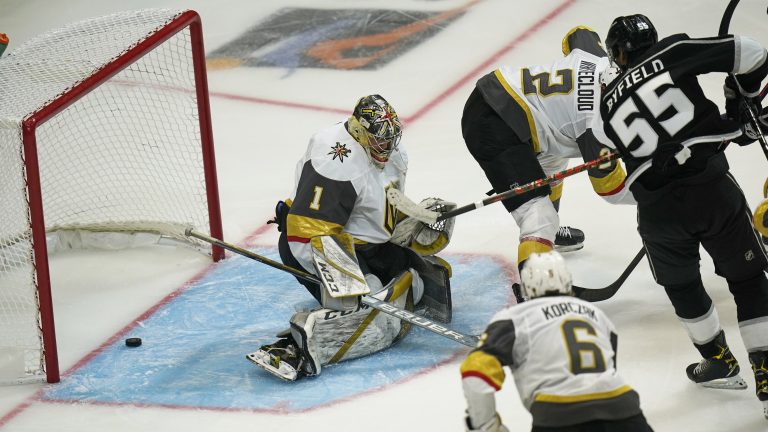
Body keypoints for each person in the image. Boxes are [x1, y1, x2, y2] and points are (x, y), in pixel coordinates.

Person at [598, 14, 768, 418]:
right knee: (746, 280)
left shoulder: (606, 105)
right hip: (711, 192)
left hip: (657, 214)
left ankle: (717, 359)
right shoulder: (673, 51)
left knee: (682, 285)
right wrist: (740, 98)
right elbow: (755, 53)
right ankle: (766, 374)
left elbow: (637, 146)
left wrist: (731, 122)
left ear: (617, 54)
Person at [248, 94, 455, 381]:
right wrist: (347, 285)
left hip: (365, 243)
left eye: (392, 139)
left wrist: (411, 219)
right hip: (316, 243)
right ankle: (303, 342)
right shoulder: (335, 163)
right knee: (370, 302)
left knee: (418, 283)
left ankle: (365, 294)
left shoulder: (391, 151)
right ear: (359, 132)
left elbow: (381, 201)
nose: (388, 147)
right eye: (381, 141)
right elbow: (307, 235)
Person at [461, 26, 635, 302]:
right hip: (491, 123)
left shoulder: (598, 57)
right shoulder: (592, 123)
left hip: (504, 95)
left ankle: (548, 238)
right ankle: (537, 295)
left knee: (556, 156)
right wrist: (655, 194)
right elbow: (610, 190)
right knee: (539, 216)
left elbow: (578, 33)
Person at [460, 251, 653, 432]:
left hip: (559, 415)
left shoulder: (515, 318)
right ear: (568, 281)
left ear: (526, 287)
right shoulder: (596, 315)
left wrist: (486, 426)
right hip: (622, 407)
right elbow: (609, 366)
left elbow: (476, 372)